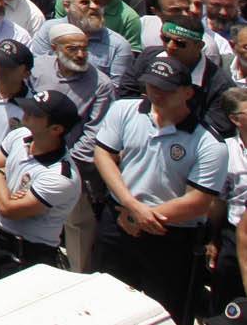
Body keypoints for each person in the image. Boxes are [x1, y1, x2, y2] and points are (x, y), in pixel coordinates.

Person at [92, 53, 229, 324]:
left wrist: (140, 217)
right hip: (118, 222)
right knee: (103, 299)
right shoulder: (125, 110)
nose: (156, 93)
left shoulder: (209, 143)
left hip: (171, 235)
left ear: (188, 92)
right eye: (152, 85)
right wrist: (131, 207)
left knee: (166, 308)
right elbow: (103, 155)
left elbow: (198, 201)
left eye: (166, 88)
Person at [0, 88, 82, 274]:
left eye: (36, 113)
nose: (27, 113)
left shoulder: (61, 175)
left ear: (56, 129)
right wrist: (0, 180)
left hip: (25, 256)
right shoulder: (20, 136)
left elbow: (7, 210)